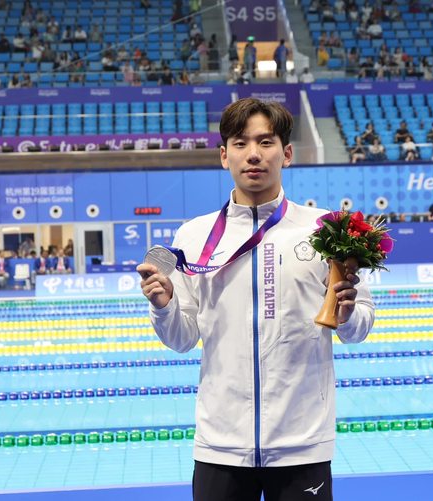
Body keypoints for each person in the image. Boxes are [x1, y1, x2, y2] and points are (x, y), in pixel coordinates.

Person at [137, 98, 375, 501]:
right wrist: (164, 307)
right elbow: (181, 339)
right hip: (220, 444)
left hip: (302, 442)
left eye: (265, 142)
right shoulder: (193, 236)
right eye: (241, 143)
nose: (253, 154)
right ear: (224, 155)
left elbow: (358, 328)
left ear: (286, 153)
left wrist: (349, 313)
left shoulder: (325, 230)